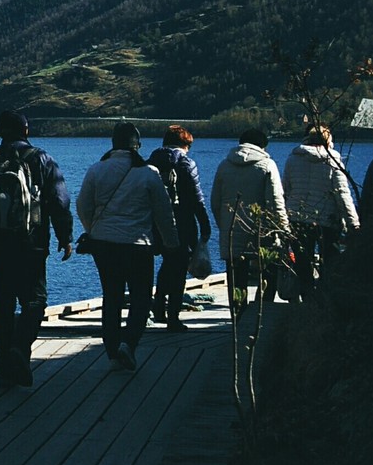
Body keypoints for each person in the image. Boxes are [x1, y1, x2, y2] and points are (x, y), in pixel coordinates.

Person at [0, 110, 73, 391]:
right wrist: (65, 236)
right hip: (30, 243)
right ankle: (20, 349)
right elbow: (59, 200)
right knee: (35, 300)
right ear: (27, 131)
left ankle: (4, 369)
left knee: (3, 303)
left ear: (0, 132)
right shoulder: (42, 159)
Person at [76, 122, 179, 372]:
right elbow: (164, 213)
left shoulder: (96, 170)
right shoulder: (148, 174)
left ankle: (112, 351)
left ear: (113, 144)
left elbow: (83, 206)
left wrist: (93, 230)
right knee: (141, 299)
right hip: (138, 245)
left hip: (104, 245)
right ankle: (129, 344)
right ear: (137, 145)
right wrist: (171, 243)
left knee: (111, 297)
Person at [211, 128, 289, 305]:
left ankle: (237, 317)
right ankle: (263, 310)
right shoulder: (267, 165)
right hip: (262, 231)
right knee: (268, 273)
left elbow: (215, 202)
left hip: (232, 229)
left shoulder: (224, 165)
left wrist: (224, 225)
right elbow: (276, 202)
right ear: (263, 146)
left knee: (236, 278)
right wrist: (283, 230)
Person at [282, 124, 360, 297]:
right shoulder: (332, 160)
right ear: (328, 140)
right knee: (330, 262)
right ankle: (324, 302)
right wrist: (353, 223)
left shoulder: (293, 159)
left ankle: (307, 300)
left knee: (303, 264)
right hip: (327, 220)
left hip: (298, 219)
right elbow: (342, 194)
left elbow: (285, 190)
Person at [148, 124, 212, 330]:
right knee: (179, 268)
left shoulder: (151, 161)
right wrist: (205, 224)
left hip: (155, 222)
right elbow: (196, 196)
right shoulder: (185, 162)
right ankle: (173, 316)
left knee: (167, 262)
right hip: (182, 222)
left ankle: (158, 306)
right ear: (185, 144)